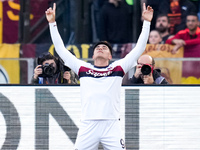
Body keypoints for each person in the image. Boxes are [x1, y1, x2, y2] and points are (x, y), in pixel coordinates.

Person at [45, 2, 153, 149]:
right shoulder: (83, 68)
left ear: (110, 56)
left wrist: (147, 22)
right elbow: (60, 49)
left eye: (104, 48)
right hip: (88, 124)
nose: (100, 48)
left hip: (111, 125)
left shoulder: (118, 67)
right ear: (93, 54)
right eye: (98, 47)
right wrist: (52, 23)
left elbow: (140, 47)